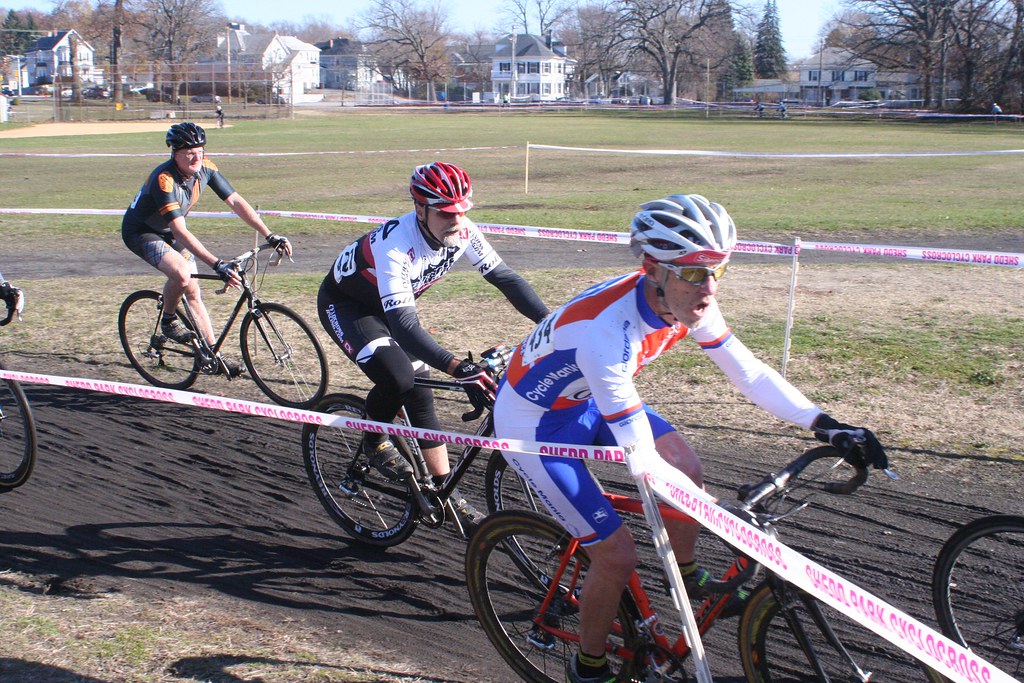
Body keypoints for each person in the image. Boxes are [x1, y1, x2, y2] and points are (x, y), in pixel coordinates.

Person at [492, 193, 889, 683]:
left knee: (688, 466)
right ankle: (588, 665)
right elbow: (642, 459)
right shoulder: (606, 332)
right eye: (696, 272)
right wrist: (716, 512)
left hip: (585, 399)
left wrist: (825, 423)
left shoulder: (686, 299)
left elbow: (751, 374)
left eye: (718, 270)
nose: (710, 287)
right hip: (531, 423)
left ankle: (683, 571)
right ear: (652, 268)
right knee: (616, 555)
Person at [317, 161, 549, 530]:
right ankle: (374, 442)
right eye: (445, 213)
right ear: (419, 209)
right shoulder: (397, 244)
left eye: (462, 211)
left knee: (422, 401)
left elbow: (505, 279)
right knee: (398, 378)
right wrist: (459, 368)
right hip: (350, 307)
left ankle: (445, 492)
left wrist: (551, 324)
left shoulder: (464, 232)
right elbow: (406, 326)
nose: (456, 220)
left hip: (392, 309)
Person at [121, 122, 292, 378]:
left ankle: (211, 356)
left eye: (200, 149)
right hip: (142, 232)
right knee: (181, 273)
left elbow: (235, 201)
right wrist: (216, 263)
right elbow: (180, 231)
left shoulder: (207, 168)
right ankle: (168, 321)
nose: (196, 156)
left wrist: (270, 234)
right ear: (174, 153)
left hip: (170, 230)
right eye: (189, 151)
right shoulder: (164, 180)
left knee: (193, 292)